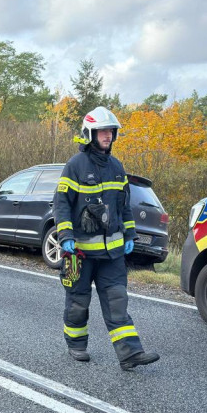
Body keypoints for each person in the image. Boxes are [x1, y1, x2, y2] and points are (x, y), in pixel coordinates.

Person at [53, 106, 160, 371]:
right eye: (102, 131)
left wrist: (130, 233)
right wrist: (65, 235)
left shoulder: (116, 166)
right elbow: (62, 203)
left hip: (112, 254)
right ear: (90, 133)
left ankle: (130, 354)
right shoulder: (75, 165)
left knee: (117, 301)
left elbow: (124, 205)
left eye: (111, 131)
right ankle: (76, 344)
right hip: (81, 251)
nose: (107, 136)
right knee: (78, 301)